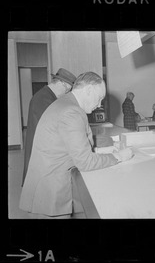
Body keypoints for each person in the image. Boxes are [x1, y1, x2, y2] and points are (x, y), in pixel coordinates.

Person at [19, 72, 133, 218]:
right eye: (99, 99)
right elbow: (85, 162)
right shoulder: (72, 112)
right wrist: (118, 156)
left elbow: (68, 148)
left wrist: (103, 149)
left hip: (43, 185)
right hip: (50, 194)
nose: (99, 105)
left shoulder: (64, 103)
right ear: (88, 90)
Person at [21, 68, 76, 186]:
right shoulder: (44, 98)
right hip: (41, 149)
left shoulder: (46, 95)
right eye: (67, 89)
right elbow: (53, 127)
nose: (66, 93)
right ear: (61, 83)